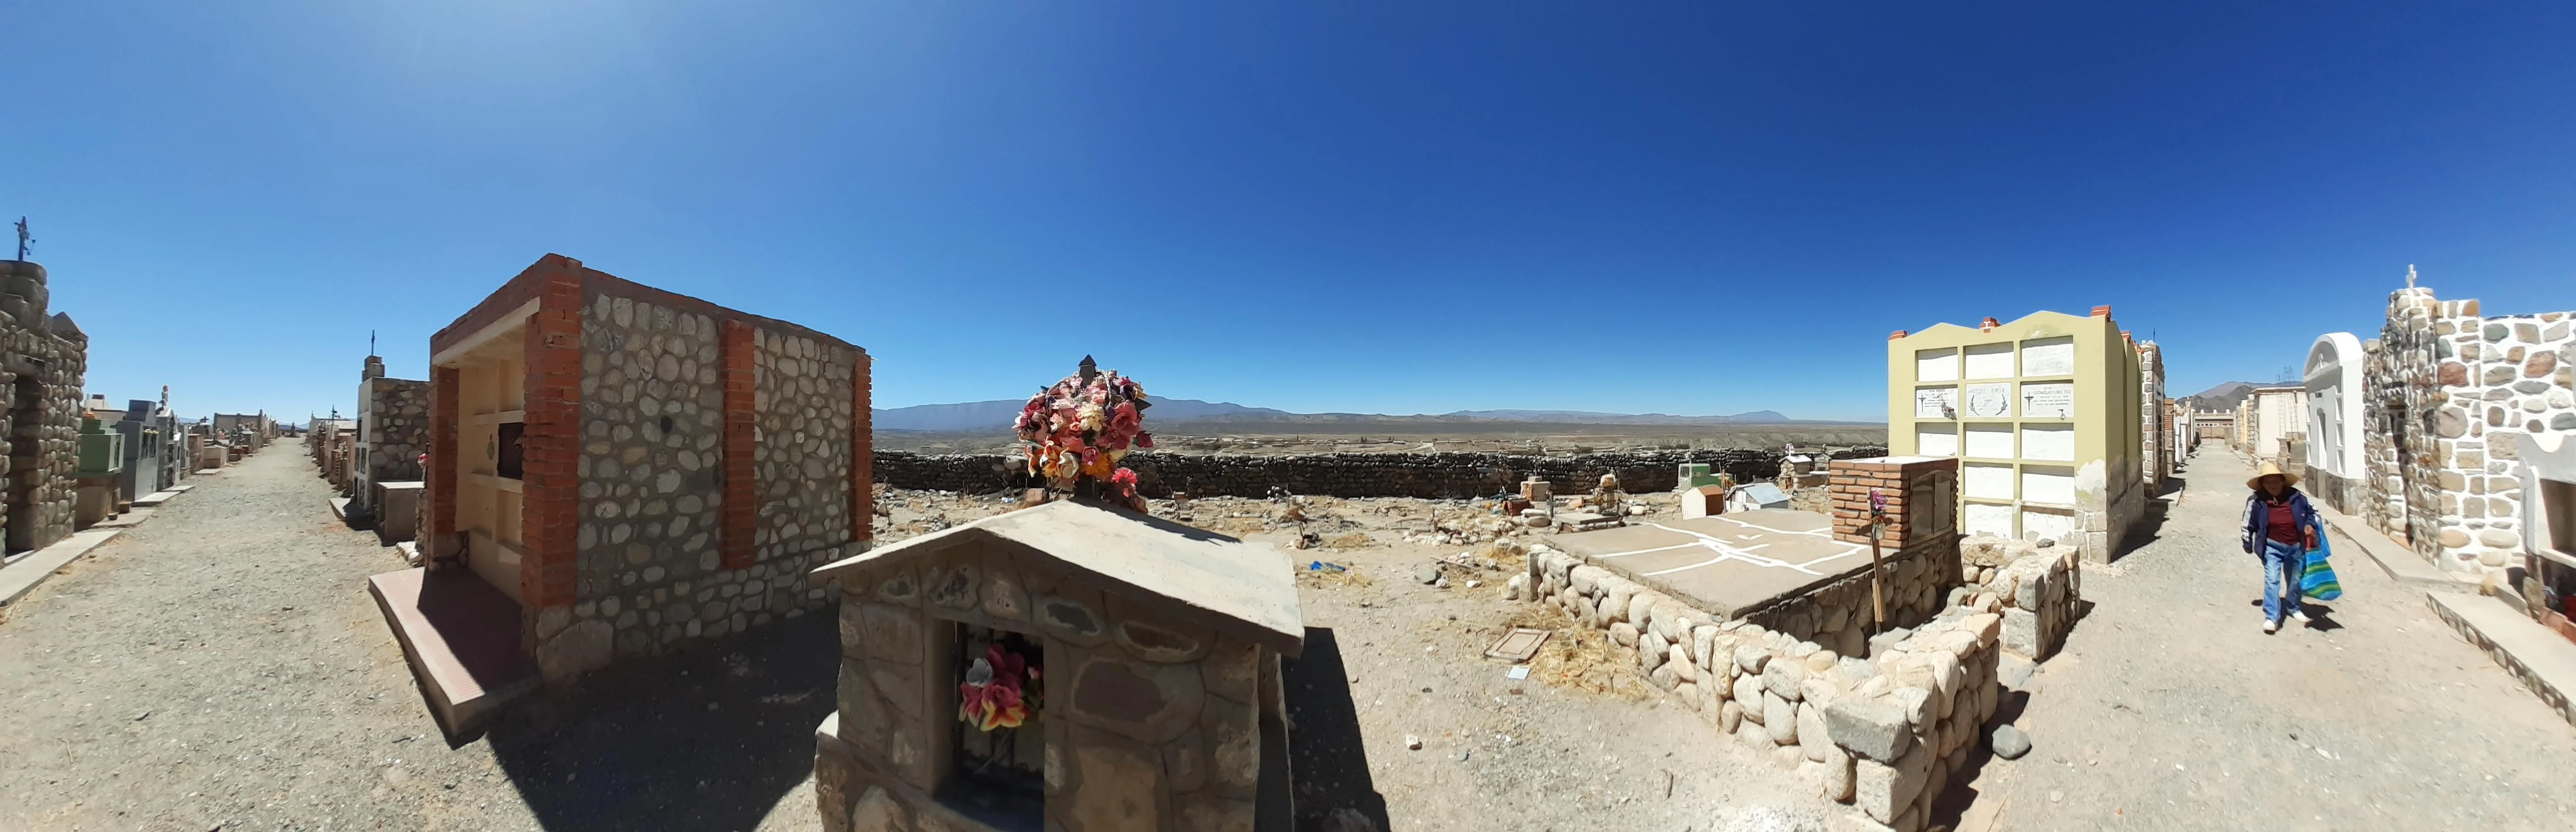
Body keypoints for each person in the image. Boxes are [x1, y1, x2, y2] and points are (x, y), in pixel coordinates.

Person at [2240, 462, 2322, 633]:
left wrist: (2310, 525)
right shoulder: (2256, 501)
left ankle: (2294, 607)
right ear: (2262, 484)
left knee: (2295, 581)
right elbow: (2247, 523)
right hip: (2272, 547)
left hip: (2296, 546)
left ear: (2282, 481)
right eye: (2268, 482)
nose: (2273, 485)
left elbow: (2313, 513)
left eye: (2276, 481)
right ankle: (2272, 616)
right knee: (2272, 579)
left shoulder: (2297, 497)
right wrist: (2247, 543)